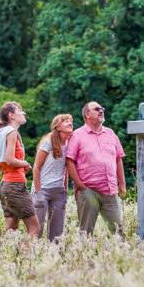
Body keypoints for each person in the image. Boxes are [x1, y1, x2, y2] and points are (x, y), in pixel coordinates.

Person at [66, 101, 127, 238]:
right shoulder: (77, 135)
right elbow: (69, 161)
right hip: (88, 190)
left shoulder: (110, 133)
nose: (101, 111)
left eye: (102, 108)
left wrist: (122, 184)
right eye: (97, 109)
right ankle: (84, 252)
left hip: (111, 190)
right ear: (87, 114)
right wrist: (80, 186)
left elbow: (118, 159)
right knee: (86, 233)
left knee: (119, 231)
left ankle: (121, 252)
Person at [0, 101, 41, 238]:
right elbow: (10, 160)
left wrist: (18, 167)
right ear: (11, 115)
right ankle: (28, 253)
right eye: (20, 110)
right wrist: (24, 163)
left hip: (5, 186)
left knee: (11, 229)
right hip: (15, 186)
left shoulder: (1, 132)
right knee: (35, 228)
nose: (24, 113)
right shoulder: (12, 132)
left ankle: (5, 252)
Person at [32, 113, 74, 241]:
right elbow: (36, 167)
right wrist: (38, 192)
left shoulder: (70, 144)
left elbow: (65, 169)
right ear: (57, 127)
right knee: (37, 230)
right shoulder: (48, 141)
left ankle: (55, 253)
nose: (70, 123)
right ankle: (32, 252)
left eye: (70, 121)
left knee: (57, 234)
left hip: (58, 191)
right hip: (43, 189)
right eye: (65, 121)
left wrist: (64, 190)